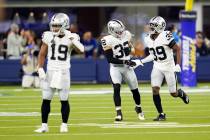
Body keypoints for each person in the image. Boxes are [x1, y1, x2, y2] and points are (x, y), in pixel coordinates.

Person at [34, 13, 84, 133]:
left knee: (64, 99)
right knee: (46, 99)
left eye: (57, 25)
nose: (55, 28)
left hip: (63, 72)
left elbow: (81, 50)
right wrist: (40, 68)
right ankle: (44, 125)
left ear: (65, 25)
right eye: (53, 25)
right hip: (50, 71)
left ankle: (64, 124)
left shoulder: (72, 36)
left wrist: (74, 41)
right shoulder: (47, 35)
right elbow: (42, 54)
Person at [132, 16, 190, 121]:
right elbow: (153, 55)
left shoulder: (166, 35)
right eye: (151, 25)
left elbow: (177, 49)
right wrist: (140, 61)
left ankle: (180, 93)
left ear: (159, 27)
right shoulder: (148, 38)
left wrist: (177, 64)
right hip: (157, 66)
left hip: (169, 66)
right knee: (155, 89)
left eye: (153, 25)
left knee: (173, 93)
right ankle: (161, 114)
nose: (151, 27)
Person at [101, 19, 145, 122]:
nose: (121, 32)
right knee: (116, 88)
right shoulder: (106, 40)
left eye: (121, 30)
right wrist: (126, 61)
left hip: (127, 67)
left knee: (135, 90)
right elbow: (110, 59)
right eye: (118, 31)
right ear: (111, 30)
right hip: (115, 67)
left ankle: (139, 108)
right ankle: (119, 113)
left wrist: (131, 50)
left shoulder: (127, 34)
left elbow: (132, 49)